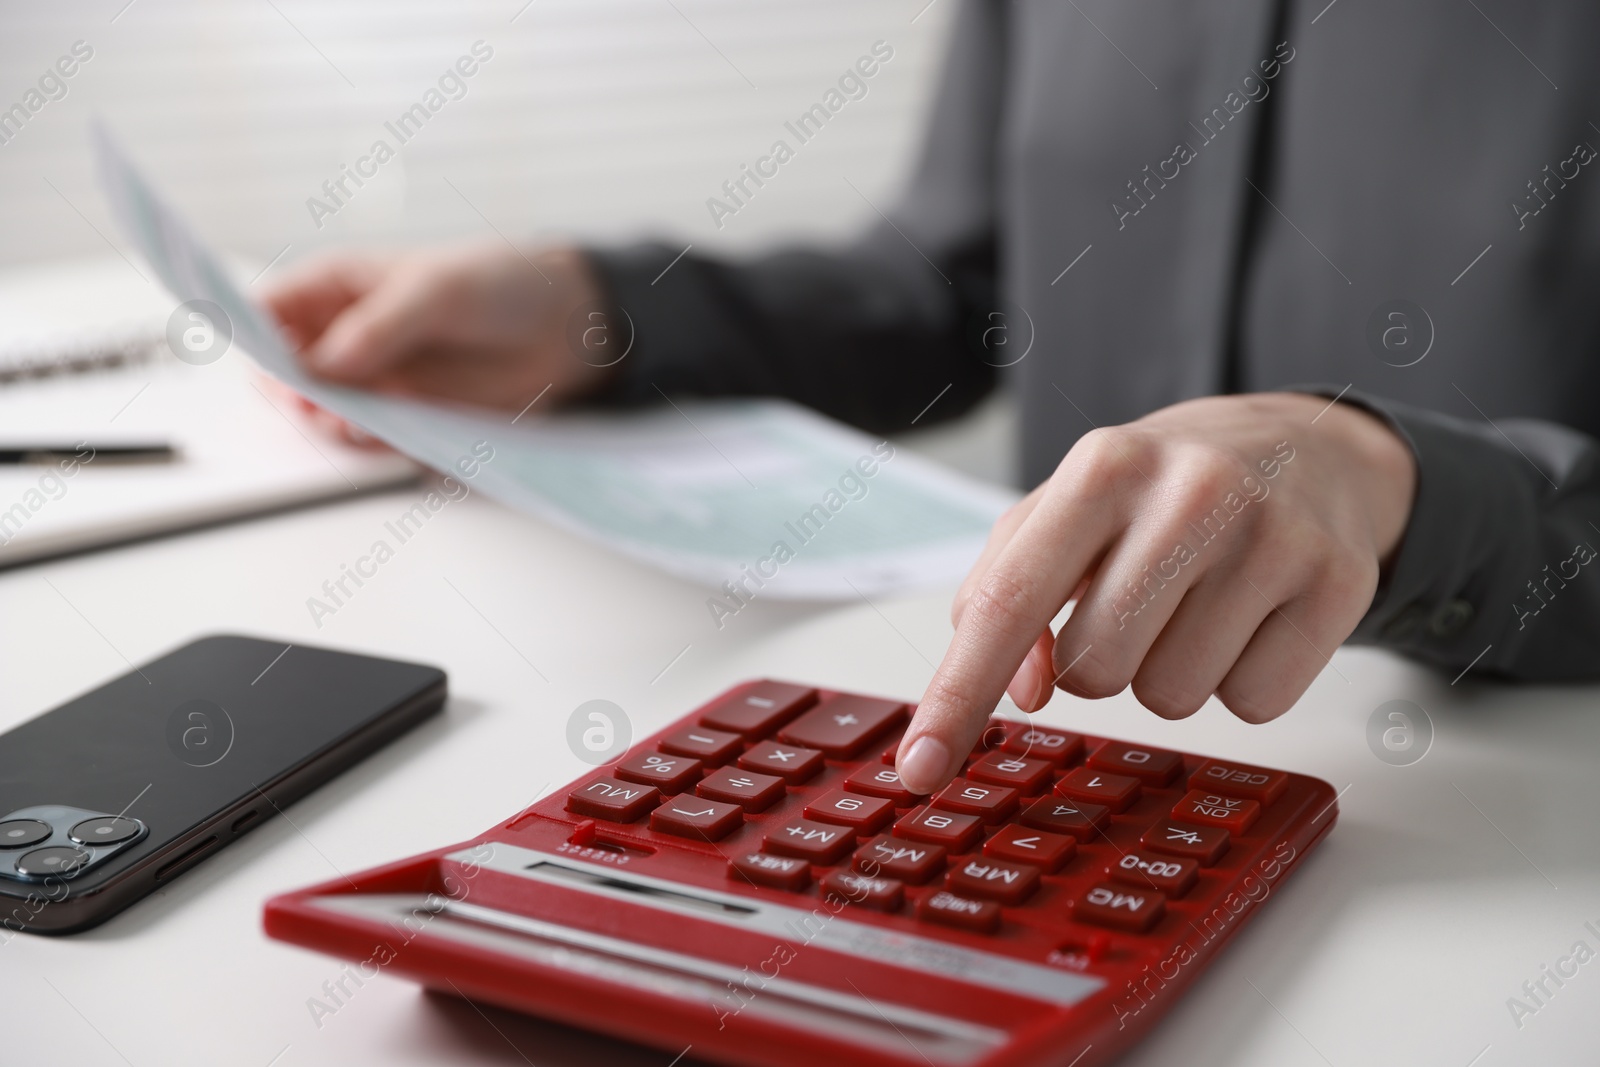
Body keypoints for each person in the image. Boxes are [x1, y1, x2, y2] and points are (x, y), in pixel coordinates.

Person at [266, 1, 1600, 796]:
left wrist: (1397, 485)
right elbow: (947, 288)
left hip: (1500, 816)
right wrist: (597, 308)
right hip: (1052, 765)